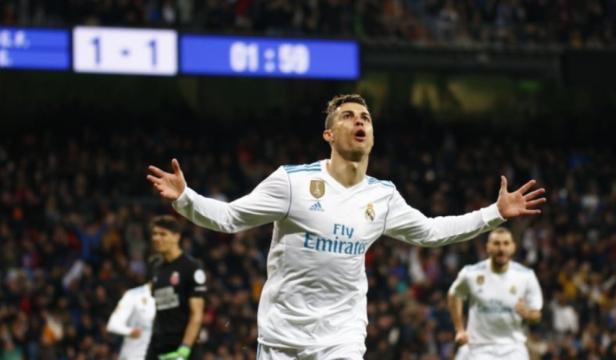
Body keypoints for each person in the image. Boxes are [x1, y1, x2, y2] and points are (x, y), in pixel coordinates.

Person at [146, 94, 546, 359]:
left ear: (371, 135)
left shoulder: (383, 196)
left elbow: (431, 232)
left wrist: (494, 212)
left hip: (342, 336)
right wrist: (186, 197)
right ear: (328, 134)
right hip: (281, 335)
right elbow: (231, 218)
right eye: (349, 116)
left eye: (366, 117)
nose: (360, 122)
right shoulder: (292, 181)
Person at [448, 227, 543, 360]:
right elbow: (454, 294)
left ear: (513, 247)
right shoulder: (471, 273)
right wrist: (459, 329)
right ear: (488, 247)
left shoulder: (526, 276)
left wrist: (527, 313)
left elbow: (537, 314)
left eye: (506, 243)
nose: (501, 249)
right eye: (496, 243)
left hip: (513, 348)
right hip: (478, 347)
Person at [145, 216, 207, 360]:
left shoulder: (192, 267)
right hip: (158, 344)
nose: (156, 238)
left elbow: (197, 314)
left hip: (183, 345)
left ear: (176, 237)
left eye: (162, 234)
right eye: (154, 234)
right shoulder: (155, 266)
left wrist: (184, 350)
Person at [107, 283, 156, 360]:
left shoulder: (169, 296)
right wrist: (130, 331)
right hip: (134, 355)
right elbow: (113, 324)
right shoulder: (133, 295)